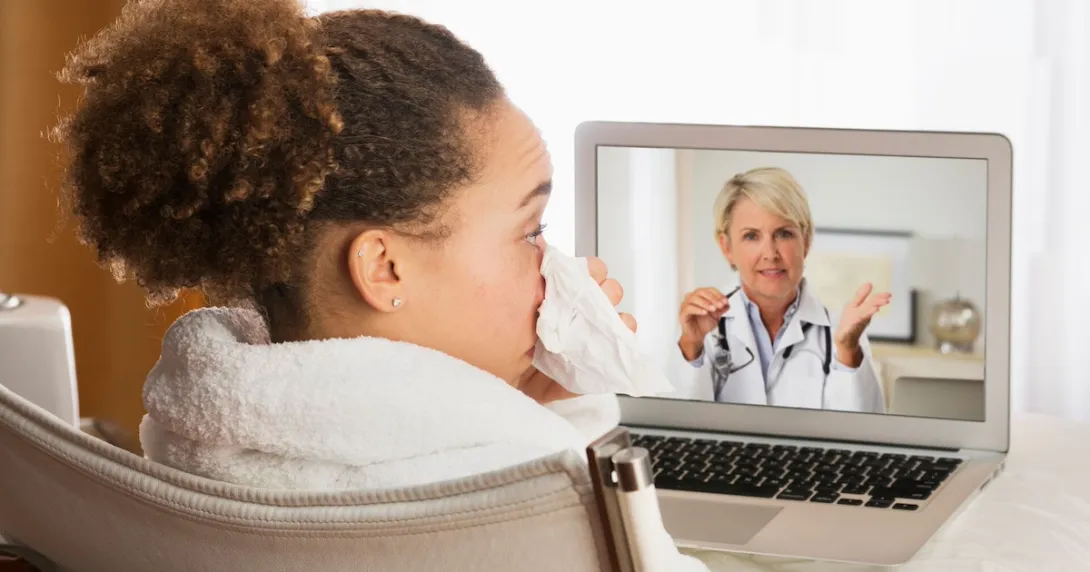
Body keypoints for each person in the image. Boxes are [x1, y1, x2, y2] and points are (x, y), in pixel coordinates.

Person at [54, 1, 708, 569]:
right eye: (530, 231)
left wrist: (532, 406)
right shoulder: (518, 497)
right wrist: (572, 436)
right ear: (383, 268)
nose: (555, 266)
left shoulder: (193, 440)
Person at [666, 167, 888, 413]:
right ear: (726, 247)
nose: (770, 254)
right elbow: (677, 428)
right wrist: (691, 346)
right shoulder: (700, 326)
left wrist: (847, 350)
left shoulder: (840, 332)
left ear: (806, 241)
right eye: (751, 236)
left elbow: (861, 437)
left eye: (783, 234)